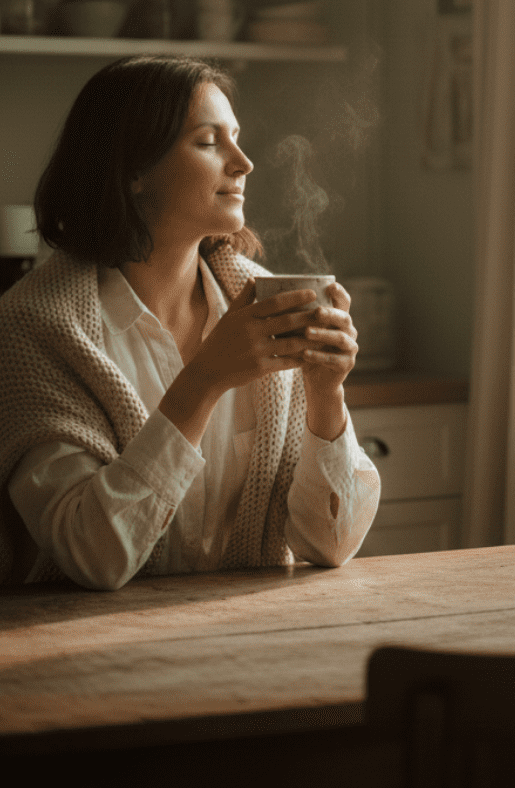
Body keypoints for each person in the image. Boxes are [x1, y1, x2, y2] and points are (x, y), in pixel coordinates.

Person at [0, 55, 380, 589]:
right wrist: (204, 379)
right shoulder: (37, 328)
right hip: (84, 654)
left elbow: (331, 546)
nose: (243, 162)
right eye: (208, 141)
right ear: (133, 170)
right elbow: (91, 556)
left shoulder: (257, 303)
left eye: (237, 137)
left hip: (247, 643)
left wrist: (326, 398)